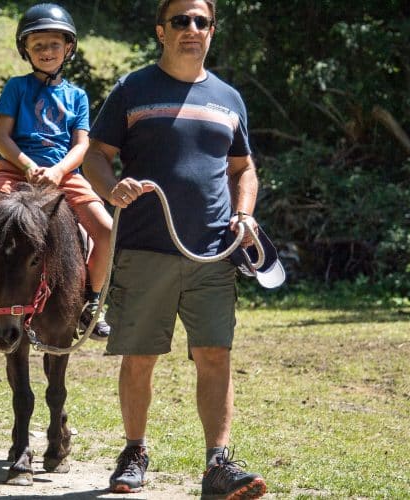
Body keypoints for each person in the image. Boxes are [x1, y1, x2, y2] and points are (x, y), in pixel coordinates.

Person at [81, 0, 268, 497]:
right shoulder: (132, 88)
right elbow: (95, 157)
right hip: (144, 249)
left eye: (201, 21)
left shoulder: (229, 98)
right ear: (161, 31)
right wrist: (110, 187)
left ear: (212, 31)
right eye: (180, 21)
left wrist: (245, 213)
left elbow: (242, 168)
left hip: (212, 252)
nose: (191, 29)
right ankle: (135, 451)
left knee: (215, 354)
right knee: (140, 356)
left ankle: (217, 465)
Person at [0, 3, 113, 340]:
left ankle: (92, 300)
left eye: (54, 45)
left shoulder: (77, 96)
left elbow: (82, 145)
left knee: (108, 230)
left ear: (68, 48)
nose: (46, 52)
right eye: (38, 46)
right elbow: (0, 137)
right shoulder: (16, 88)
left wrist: (60, 170)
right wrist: (29, 165)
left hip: (64, 175)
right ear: (26, 51)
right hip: (15, 170)